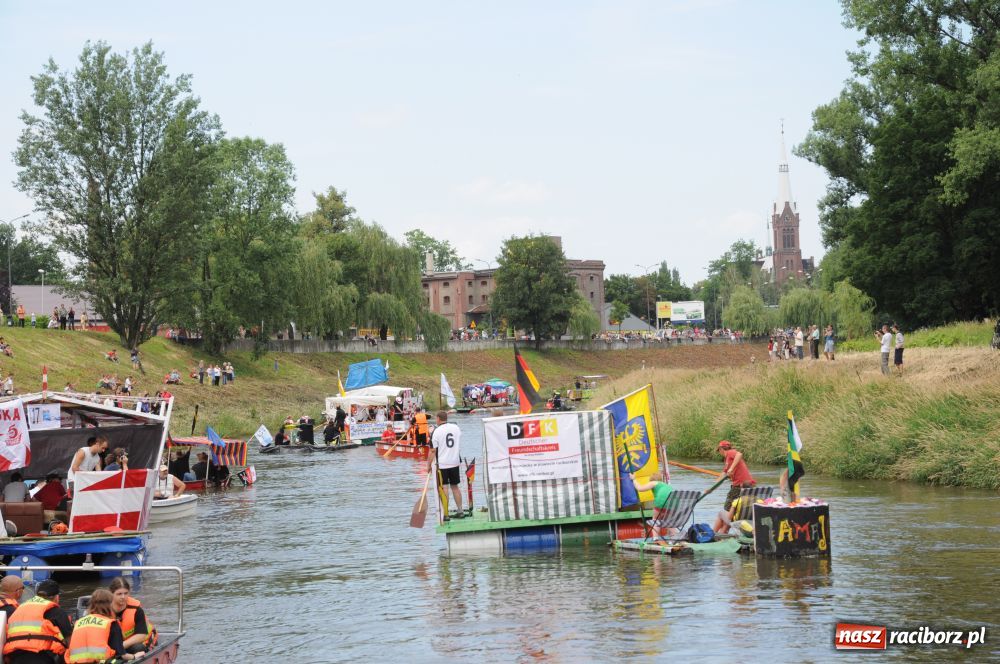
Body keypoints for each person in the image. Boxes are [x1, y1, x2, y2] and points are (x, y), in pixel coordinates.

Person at [3, 579, 73, 663]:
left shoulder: (20, 607)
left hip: (15, 656)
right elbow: (70, 643)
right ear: (57, 597)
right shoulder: (57, 612)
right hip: (41, 657)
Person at [65, 588, 136, 662]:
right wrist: (134, 656)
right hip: (101, 662)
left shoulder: (78, 623)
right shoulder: (111, 624)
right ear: (110, 605)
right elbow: (121, 655)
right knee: (137, 650)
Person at [430, 410, 463, 518]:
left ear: (438, 419)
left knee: (445, 487)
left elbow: (433, 451)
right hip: (455, 462)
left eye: (436, 418)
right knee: (455, 487)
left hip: (443, 463)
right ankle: (460, 511)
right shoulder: (456, 428)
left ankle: (446, 514)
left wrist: (427, 466)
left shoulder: (436, 431)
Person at [109, 577, 156, 654]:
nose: (123, 597)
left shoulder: (136, 610)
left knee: (138, 648)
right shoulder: (104, 609)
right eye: (119, 594)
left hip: (142, 641)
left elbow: (141, 635)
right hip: (118, 644)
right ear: (111, 594)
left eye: (126, 593)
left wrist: (119, 647)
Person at [631, 473, 678, 539]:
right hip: (674, 504)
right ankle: (676, 537)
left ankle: (655, 538)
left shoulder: (654, 482)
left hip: (661, 502)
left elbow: (640, 488)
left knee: (655, 519)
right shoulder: (666, 485)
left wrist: (634, 479)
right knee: (668, 520)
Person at [718, 440, 755, 511]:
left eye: (719, 450)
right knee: (742, 506)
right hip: (746, 484)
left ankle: (732, 520)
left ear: (721, 449)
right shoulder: (727, 460)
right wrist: (711, 488)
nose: (719, 453)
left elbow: (739, 454)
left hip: (740, 485)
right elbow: (723, 474)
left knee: (728, 506)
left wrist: (731, 468)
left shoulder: (730, 452)